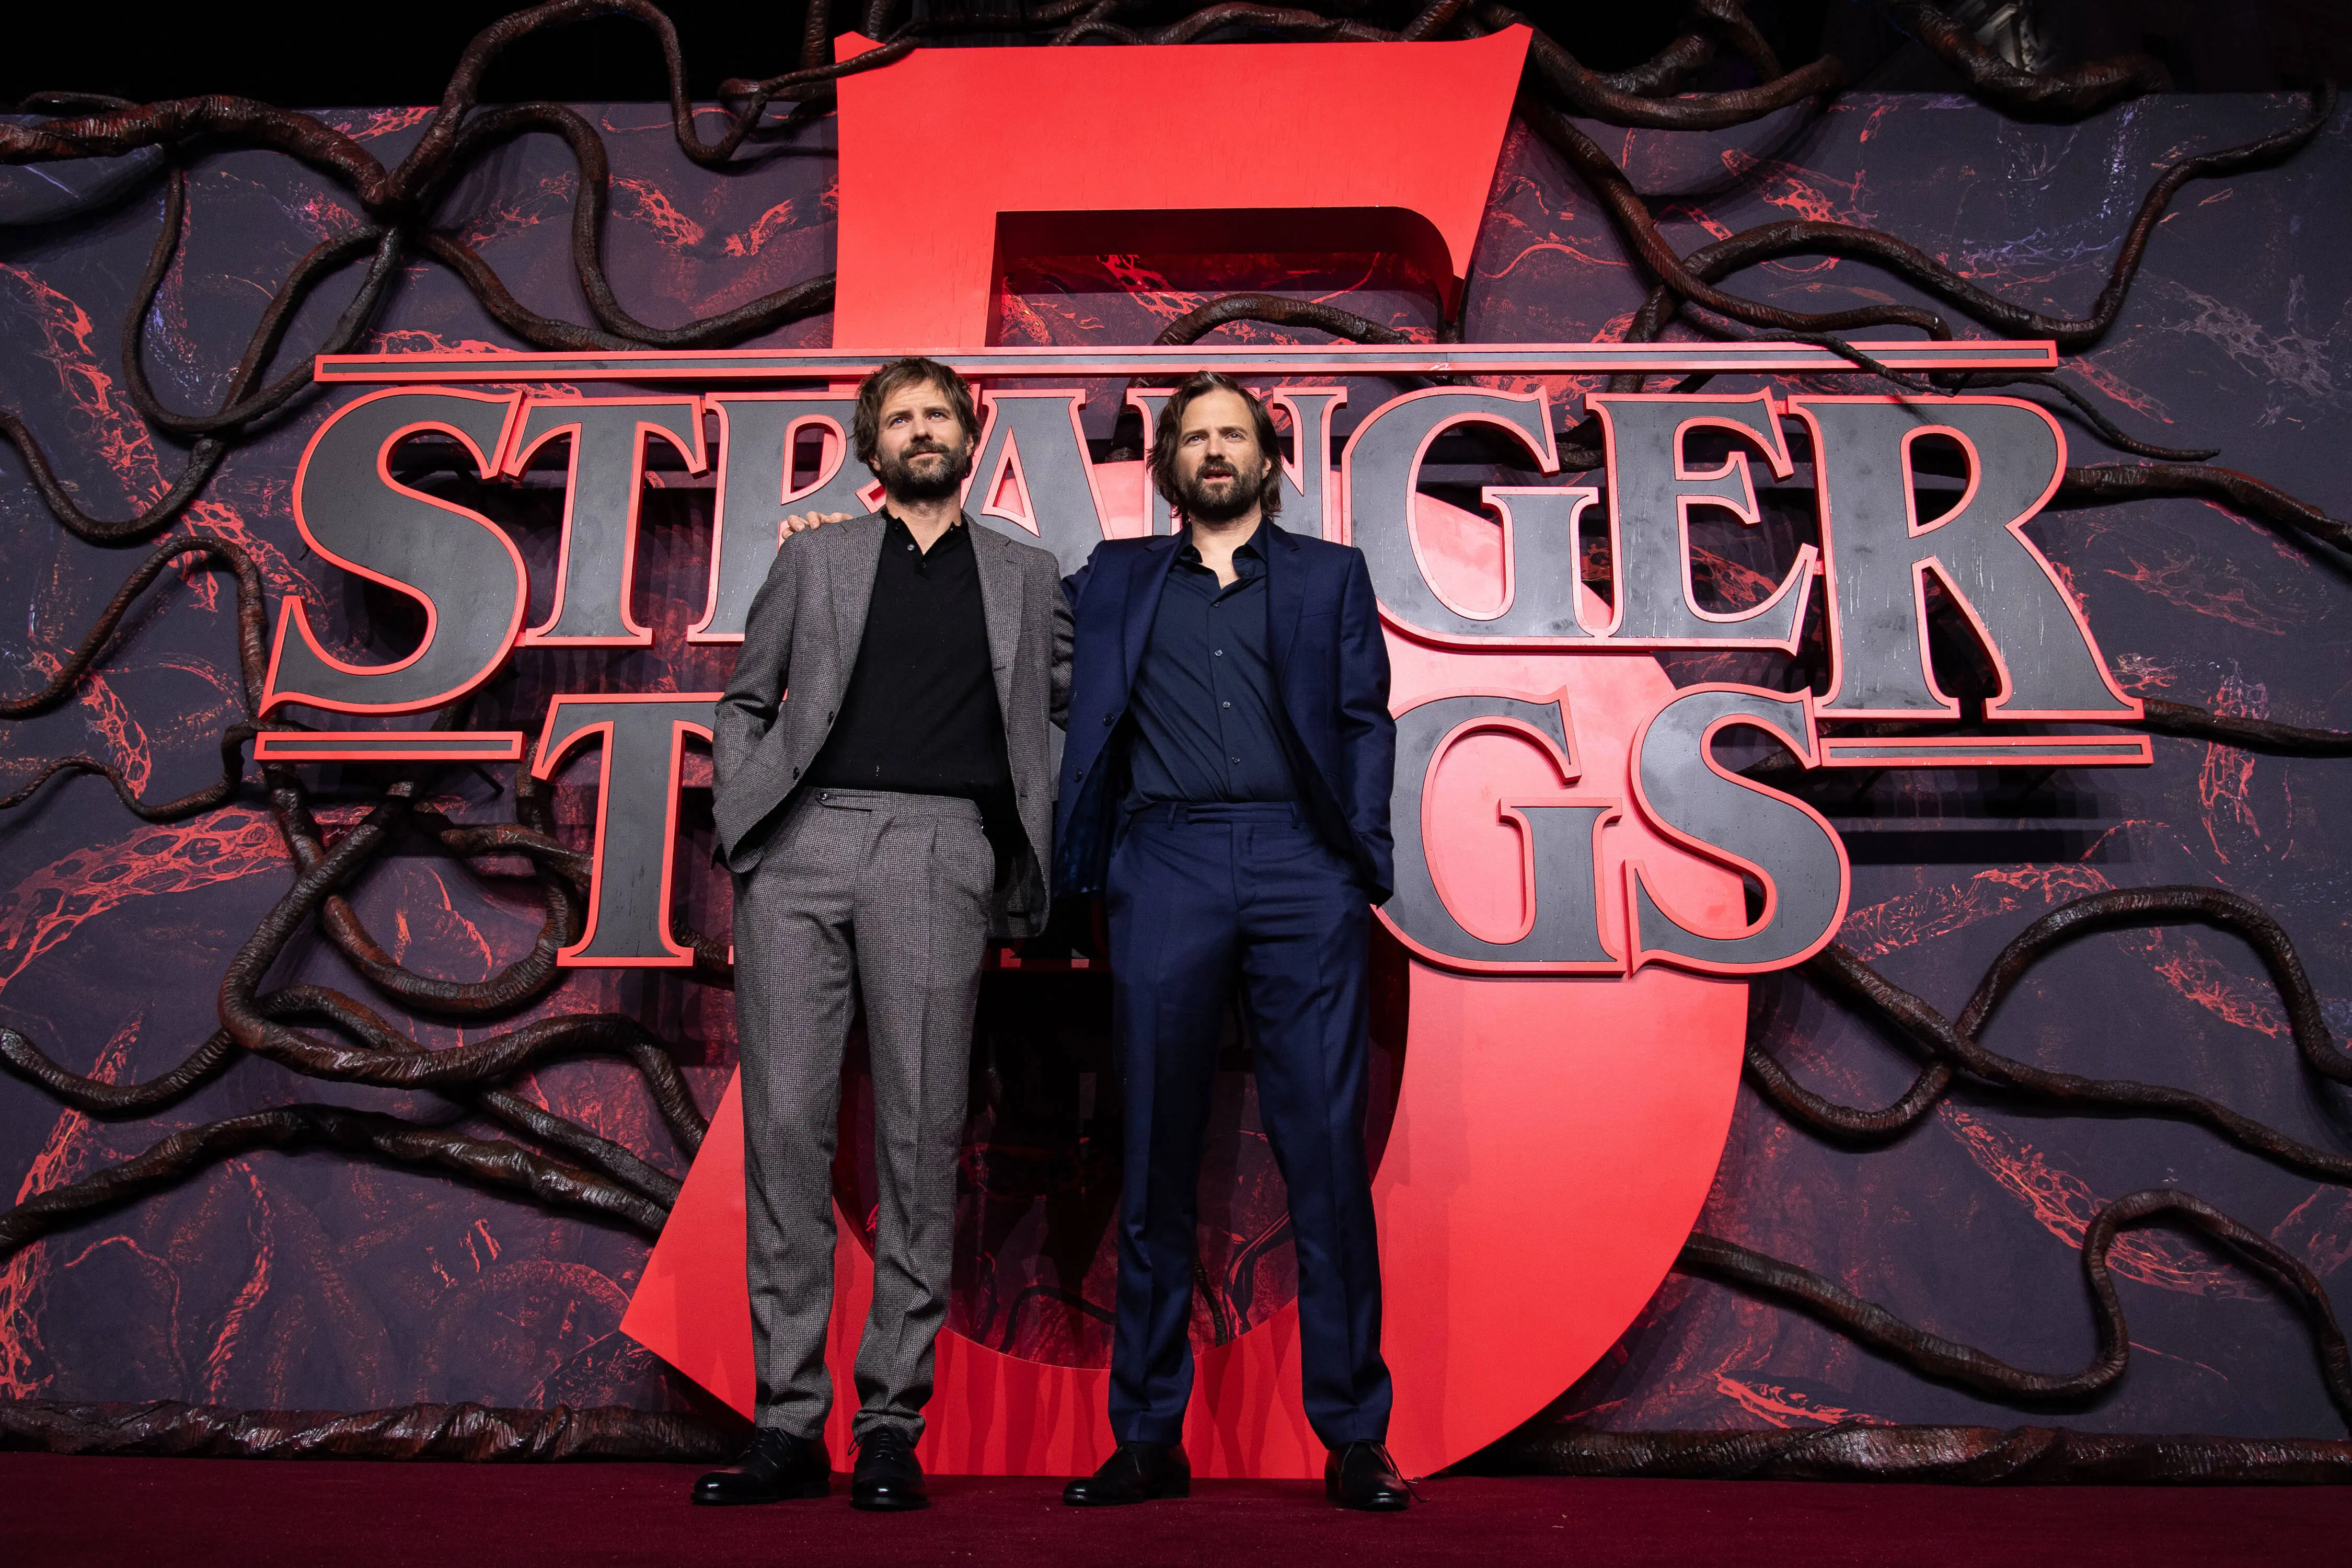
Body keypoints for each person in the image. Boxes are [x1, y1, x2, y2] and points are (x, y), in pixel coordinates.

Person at [698, 356, 1071, 1512]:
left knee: (919, 1140)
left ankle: (893, 1423)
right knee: (789, 1133)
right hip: (804, 842)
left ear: (971, 433)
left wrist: (1016, 847)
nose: (920, 430)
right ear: (872, 446)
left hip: (938, 849)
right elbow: (747, 699)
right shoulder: (815, 557)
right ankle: (788, 1423)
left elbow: (1057, 716)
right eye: (898, 417)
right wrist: (748, 824)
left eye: (936, 414)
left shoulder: (1026, 571)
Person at [1055, 372, 1408, 1512]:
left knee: (1323, 1152)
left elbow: (1364, 721)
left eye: (1233, 435)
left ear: (1268, 457)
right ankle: (1149, 1436)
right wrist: (833, 537)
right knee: (1152, 1148)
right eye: (1194, 436)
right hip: (1164, 864)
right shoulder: (1112, 581)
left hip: (1301, 864)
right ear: (1168, 463)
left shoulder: (1328, 577)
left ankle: (1356, 1435)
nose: (1214, 452)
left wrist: (1357, 858)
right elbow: (985, 604)